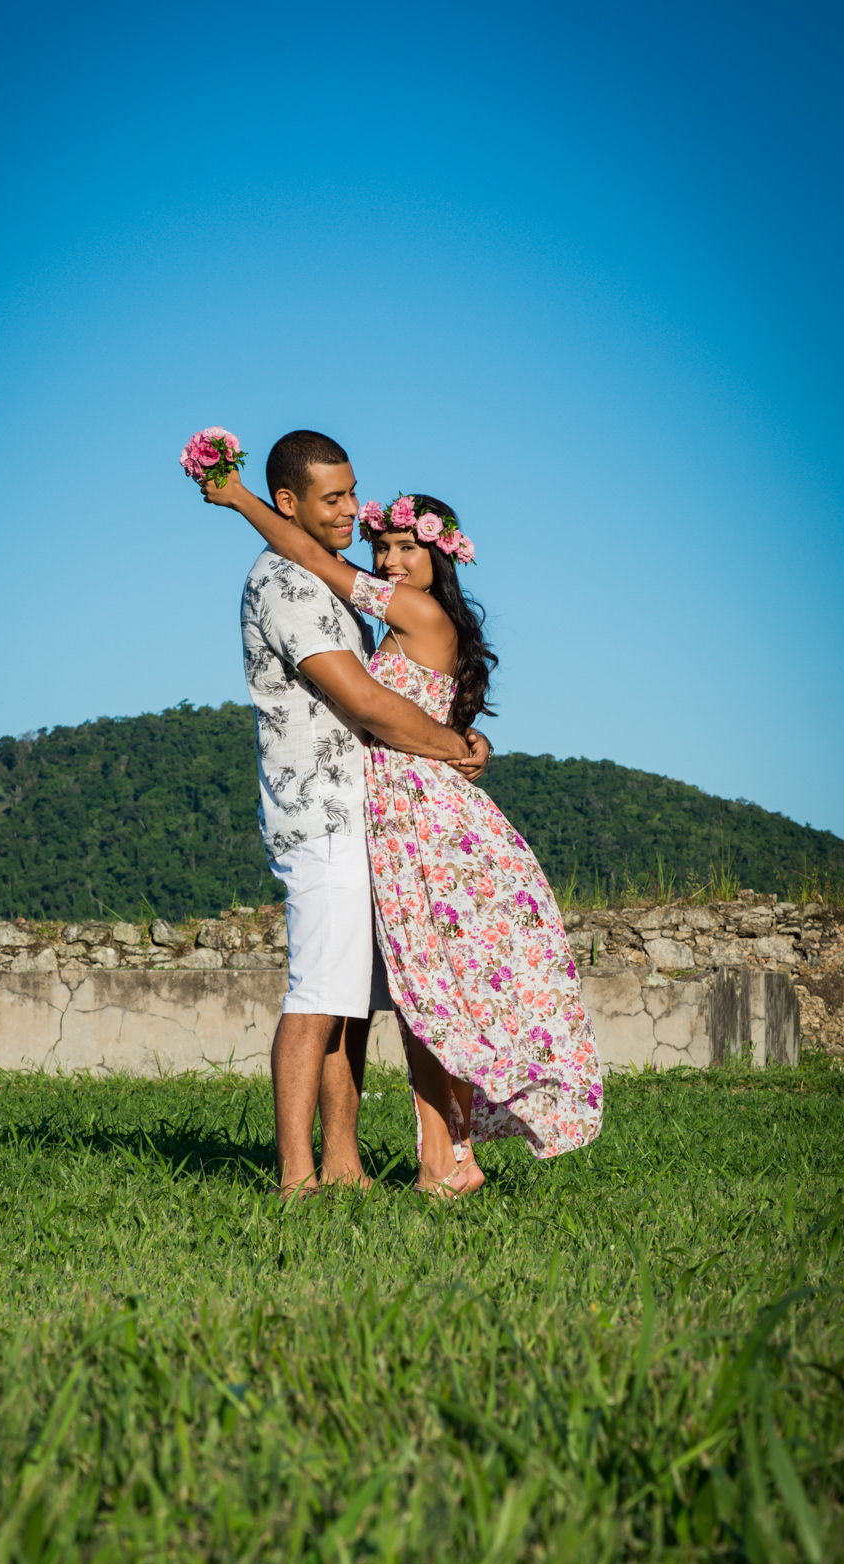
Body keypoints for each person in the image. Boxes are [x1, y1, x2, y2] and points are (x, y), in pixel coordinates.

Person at [201, 457, 604, 1195]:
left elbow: (309, 554)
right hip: (395, 814)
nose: (385, 559)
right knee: (424, 996)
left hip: (421, 817)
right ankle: (443, 1161)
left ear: (439, 554)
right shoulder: (397, 607)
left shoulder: (416, 613)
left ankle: (447, 1161)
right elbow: (320, 561)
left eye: (403, 548)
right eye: (381, 547)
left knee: (433, 996)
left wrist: (238, 501)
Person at [232, 430, 494, 1197]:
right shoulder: (287, 583)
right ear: (292, 504)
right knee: (322, 996)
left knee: (364, 1004)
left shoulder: (369, 598)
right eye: (336, 500)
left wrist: (454, 742)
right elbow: (371, 703)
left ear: (438, 557)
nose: (367, 533)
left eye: (403, 545)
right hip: (326, 818)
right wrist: (456, 741)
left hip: (384, 819)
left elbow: (398, 695)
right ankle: (298, 1177)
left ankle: (361, 1165)